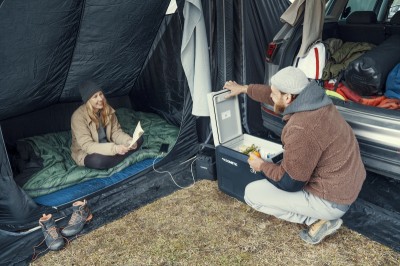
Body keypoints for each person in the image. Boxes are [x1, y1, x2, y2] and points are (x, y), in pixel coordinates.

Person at [223, 66, 366, 245]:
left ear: (288, 97)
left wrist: (261, 166)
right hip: (348, 182)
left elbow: (290, 183)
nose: (271, 98)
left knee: (252, 194)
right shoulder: (316, 99)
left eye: (275, 95)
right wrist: (244, 89)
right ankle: (321, 214)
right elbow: (272, 94)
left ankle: (318, 220)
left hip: (332, 200)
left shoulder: (302, 128)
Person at [71, 80, 143, 170]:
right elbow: (87, 146)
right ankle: (121, 156)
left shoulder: (107, 109)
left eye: (101, 94)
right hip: (89, 151)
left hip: (107, 145)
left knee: (138, 139)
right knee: (98, 161)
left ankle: (115, 158)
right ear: (88, 100)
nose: (100, 99)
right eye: (95, 96)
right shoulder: (78, 117)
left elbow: (115, 132)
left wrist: (128, 141)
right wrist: (115, 149)